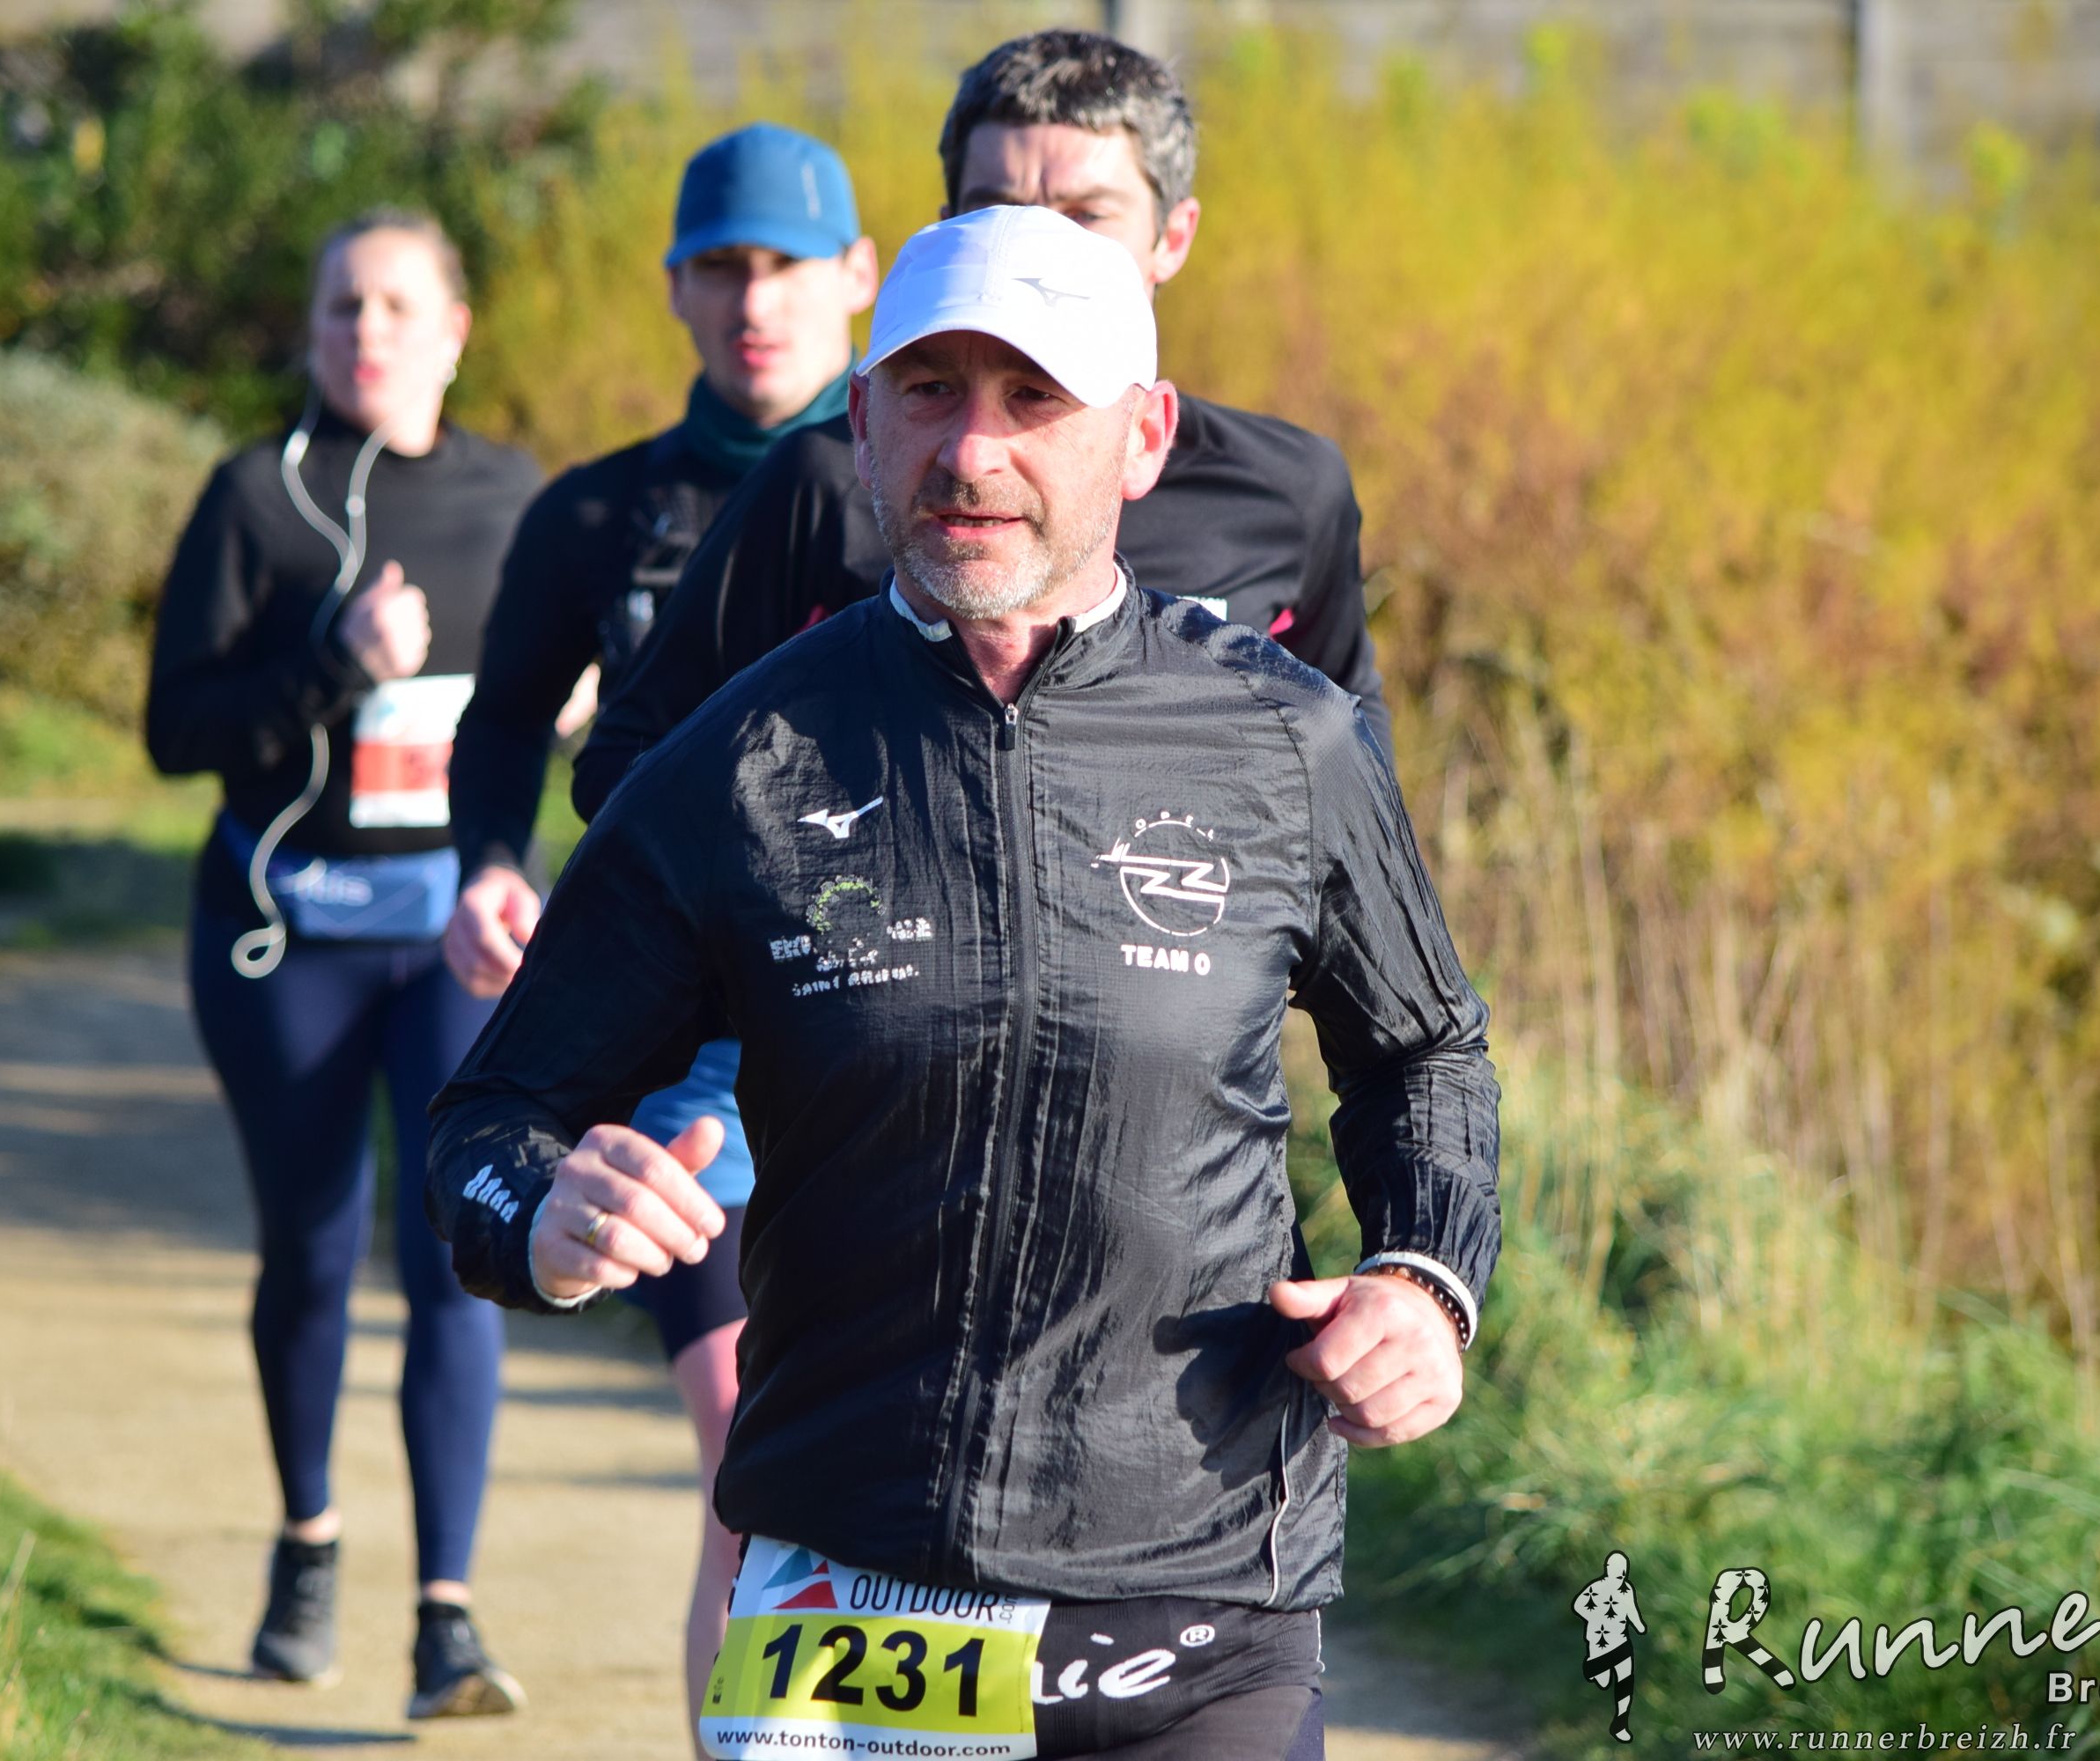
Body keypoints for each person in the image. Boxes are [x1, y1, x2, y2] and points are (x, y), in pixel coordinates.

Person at [427, 204, 1501, 1760]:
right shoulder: (741, 759)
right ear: (862, 426)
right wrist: (542, 1211)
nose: (973, 451)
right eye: (931, 393)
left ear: (1143, 438)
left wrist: (1424, 1278)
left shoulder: (1285, 740)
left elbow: (1425, 1053)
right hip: (843, 1603)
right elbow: (491, 1117)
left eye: (1032, 398)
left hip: (1204, 1607)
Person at [438, 122, 877, 1728]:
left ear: (859, 276)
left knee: (867, 1478)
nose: (756, 301)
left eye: (787, 267)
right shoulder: (597, 513)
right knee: (746, 1446)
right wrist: (488, 862)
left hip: (892, 1039)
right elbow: (505, 722)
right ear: (677, 288)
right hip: (692, 1054)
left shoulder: (940, 495)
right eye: (722, 268)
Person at [571, 28, 1393, 827]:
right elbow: (636, 762)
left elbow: (1349, 770)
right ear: (946, 229)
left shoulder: (1287, 490)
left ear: (1172, 236)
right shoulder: (830, 479)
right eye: (996, 210)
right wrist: (818, 879)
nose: (1032, 247)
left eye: (1085, 215)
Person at [145, 209, 540, 1720]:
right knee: (309, 1247)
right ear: (311, 334)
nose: (364, 331)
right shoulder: (259, 497)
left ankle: (448, 1619)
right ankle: (307, 1541)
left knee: (457, 1254)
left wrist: (565, 702)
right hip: (285, 936)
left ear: (454, 331)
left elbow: (584, 688)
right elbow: (175, 729)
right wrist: (333, 660)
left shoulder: (518, 502)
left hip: (455, 941)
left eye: (393, 306)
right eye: (338, 308)